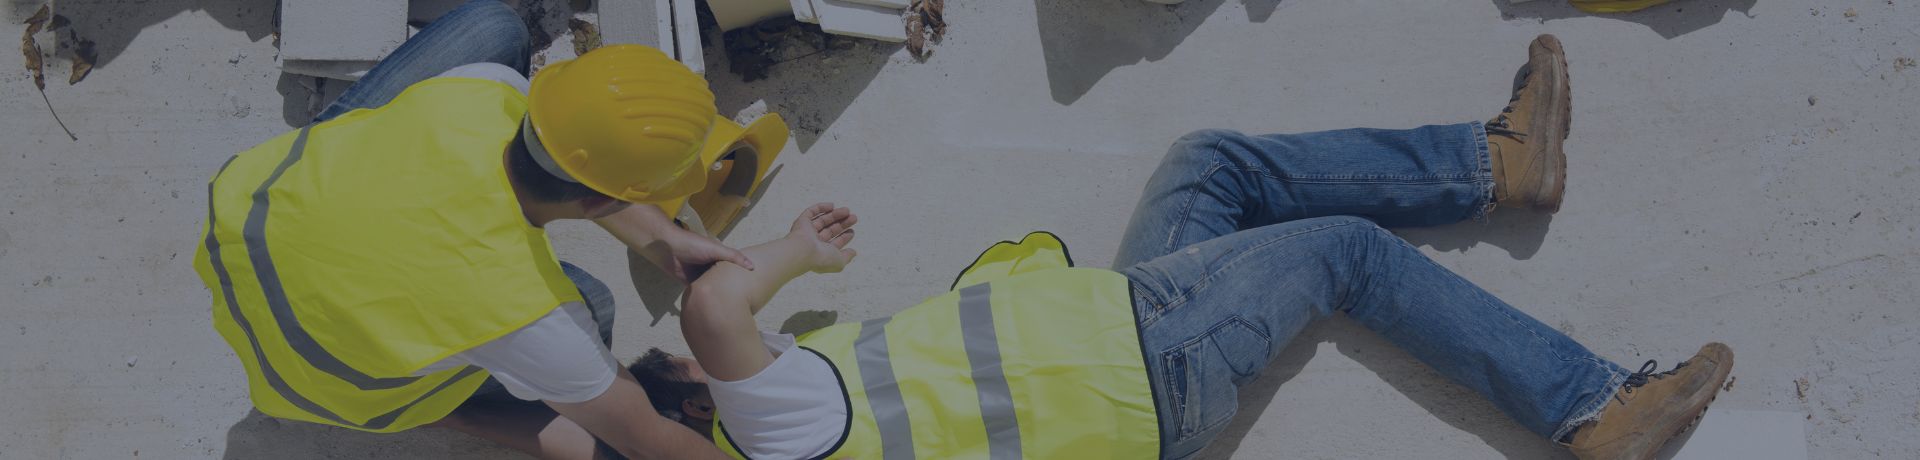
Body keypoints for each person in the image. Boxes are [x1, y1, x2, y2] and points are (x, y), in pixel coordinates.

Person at [626, 35, 1733, 460]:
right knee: (1345, 249)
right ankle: (1591, 406)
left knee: (1209, 163)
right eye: (690, 374)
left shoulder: (796, 425)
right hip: (1147, 358)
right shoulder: (774, 431)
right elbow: (716, 311)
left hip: (1121, 334)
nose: (723, 354)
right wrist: (784, 254)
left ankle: (1499, 166)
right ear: (698, 402)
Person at [193, 1, 744, 458]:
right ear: (602, 199)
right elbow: (647, 440)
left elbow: (568, 162)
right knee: (594, 303)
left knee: (493, 29)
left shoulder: (483, 91)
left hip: (245, 225)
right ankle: (443, 409)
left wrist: (662, 237)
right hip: (317, 378)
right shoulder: (532, 318)